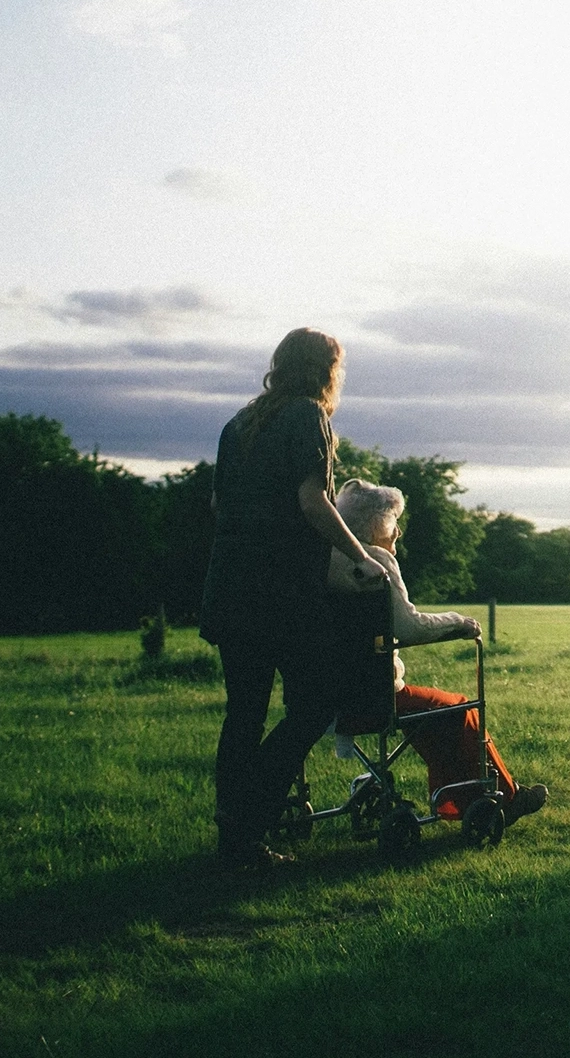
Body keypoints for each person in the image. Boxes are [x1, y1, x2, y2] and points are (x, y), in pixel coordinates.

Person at [200, 327, 387, 866]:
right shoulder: (309, 417)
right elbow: (313, 501)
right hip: (280, 593)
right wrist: (361, 555)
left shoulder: (239, 423)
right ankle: (249, 816)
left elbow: (219, 504)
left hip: (230, 586)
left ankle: (234, 835)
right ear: (327, 369)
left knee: (245, 713)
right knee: (315, 704)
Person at [326, 479, 547, 825]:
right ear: (373, 525)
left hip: (329, 696)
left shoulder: (326, 559)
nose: (398, 531)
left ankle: (458, 801)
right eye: (392, 521)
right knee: (458, 708)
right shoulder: (375, 561)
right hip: (375, 696)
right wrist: (458, 622)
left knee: (433, 714)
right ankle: (505, 797)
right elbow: (410, 628)